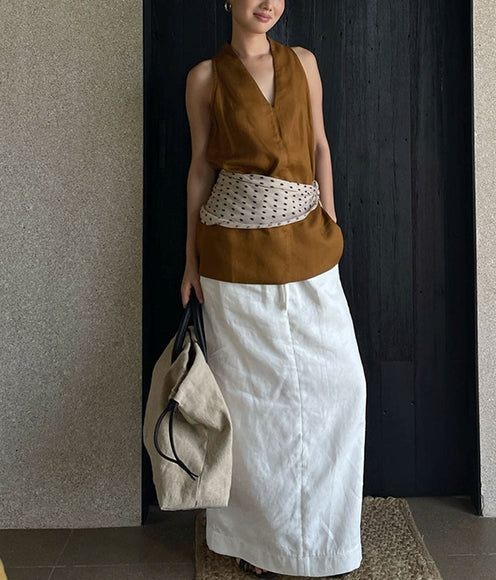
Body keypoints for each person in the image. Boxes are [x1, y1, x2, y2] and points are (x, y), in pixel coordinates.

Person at [181, 1, 367, 577]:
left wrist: (329, 219)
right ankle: (259, 546)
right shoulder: (206, 78)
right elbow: (200, 169)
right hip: (232, 259)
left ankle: (326, 544)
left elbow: (320, 145)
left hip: (308, 245)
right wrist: (189, 261)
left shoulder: (303, 63)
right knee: (252, 404)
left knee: (343, 384)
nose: (267, 3)